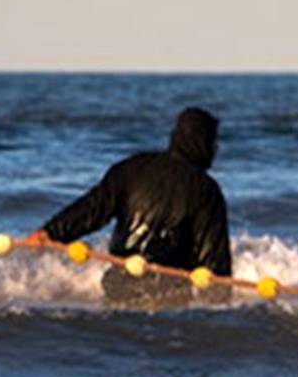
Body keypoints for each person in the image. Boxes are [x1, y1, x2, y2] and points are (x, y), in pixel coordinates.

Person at [24, 107, 232, 307]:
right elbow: (214, 263)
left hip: (119, 284)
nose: (215, 150)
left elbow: (91, 210)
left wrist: (49, 232)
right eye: (214, 143)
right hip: (169, 294)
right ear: (203, 143)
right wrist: (219, 312)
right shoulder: (207, 191)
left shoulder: (131, 168)